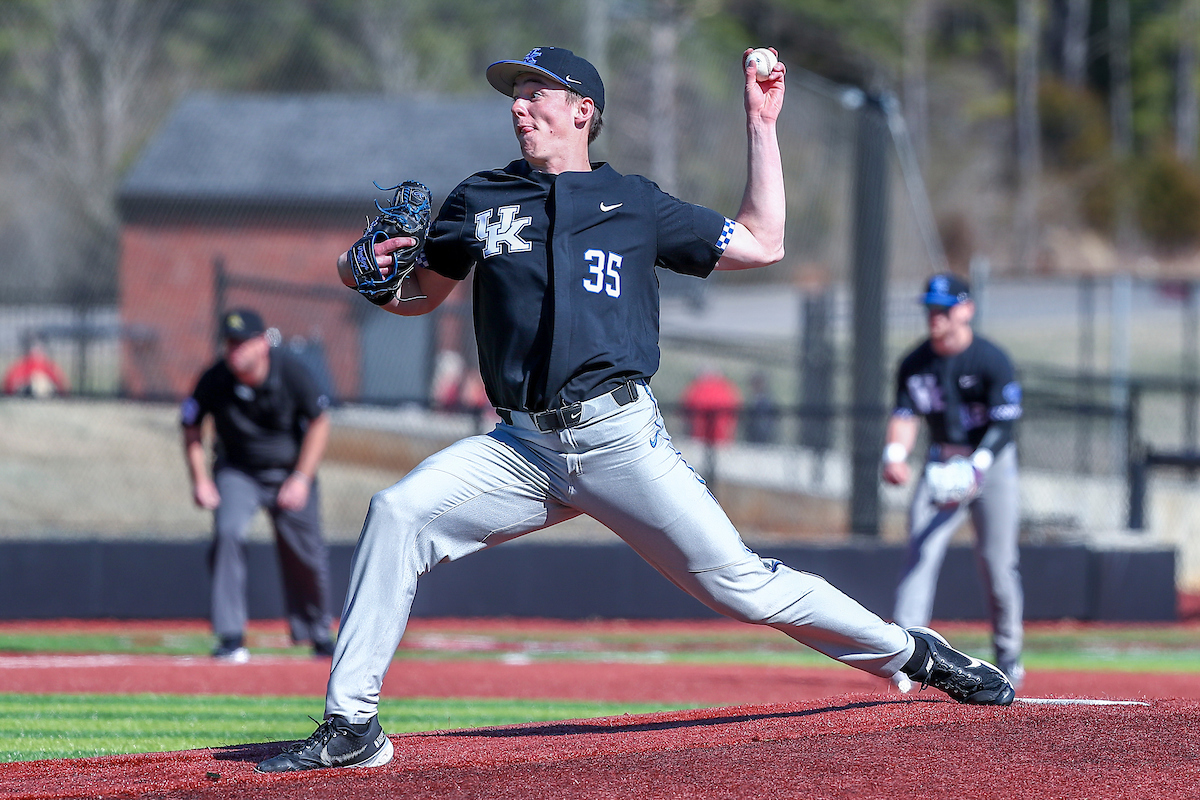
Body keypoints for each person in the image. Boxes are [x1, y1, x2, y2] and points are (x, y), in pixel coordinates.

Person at [256, 46, 1014, 774]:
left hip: (620, 439)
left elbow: (762, 242)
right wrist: (372, 281)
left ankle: (912, 652)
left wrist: (761, 125)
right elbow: (422, 294)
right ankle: (352, 724)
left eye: (536, 92)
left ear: (583, 110)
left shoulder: (636, 204)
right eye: (514, 94)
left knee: (742, 586)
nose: (520, 105)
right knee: (397, 512)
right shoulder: (481, 197)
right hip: (520, 451)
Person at [881, 274, 1025, 688]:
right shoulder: (915, 363)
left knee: (998, 563)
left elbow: (1004, 425)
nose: (935, 317)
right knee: (919, 552)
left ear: (966, 309)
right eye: (930, 309)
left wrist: (977, 464)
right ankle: (907, 654)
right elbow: (905, 415)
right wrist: (895, 454)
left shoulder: (991, 359)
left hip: (991, 463)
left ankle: (1009, 654)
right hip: (943, 461)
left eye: (943, 309)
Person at [181, 309, 335, 663]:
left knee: (305, 550)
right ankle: (230, 635)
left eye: (242, 343)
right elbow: (189, 424)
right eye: (229, 343)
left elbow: (319, 423)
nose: (234, 351)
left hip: (288, 471)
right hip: (238, 472)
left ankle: (316, 631)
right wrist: (201, 479)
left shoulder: (292, 372)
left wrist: (301, 477)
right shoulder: (214, 378)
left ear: (263, 343)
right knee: (229, 532)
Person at [680, 368, 742, 444]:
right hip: (722, 440)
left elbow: (685, 409)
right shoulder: (727, 389)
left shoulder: (696, 388)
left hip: (699, 438)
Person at [3, 338, 68, 397]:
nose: (36, 351)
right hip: (24, 394)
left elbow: (61, 384)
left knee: (40, 381)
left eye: (39, 348)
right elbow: (10, 384)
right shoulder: (21, 365)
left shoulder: (49, 366)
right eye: (34, 349)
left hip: (47, 396)